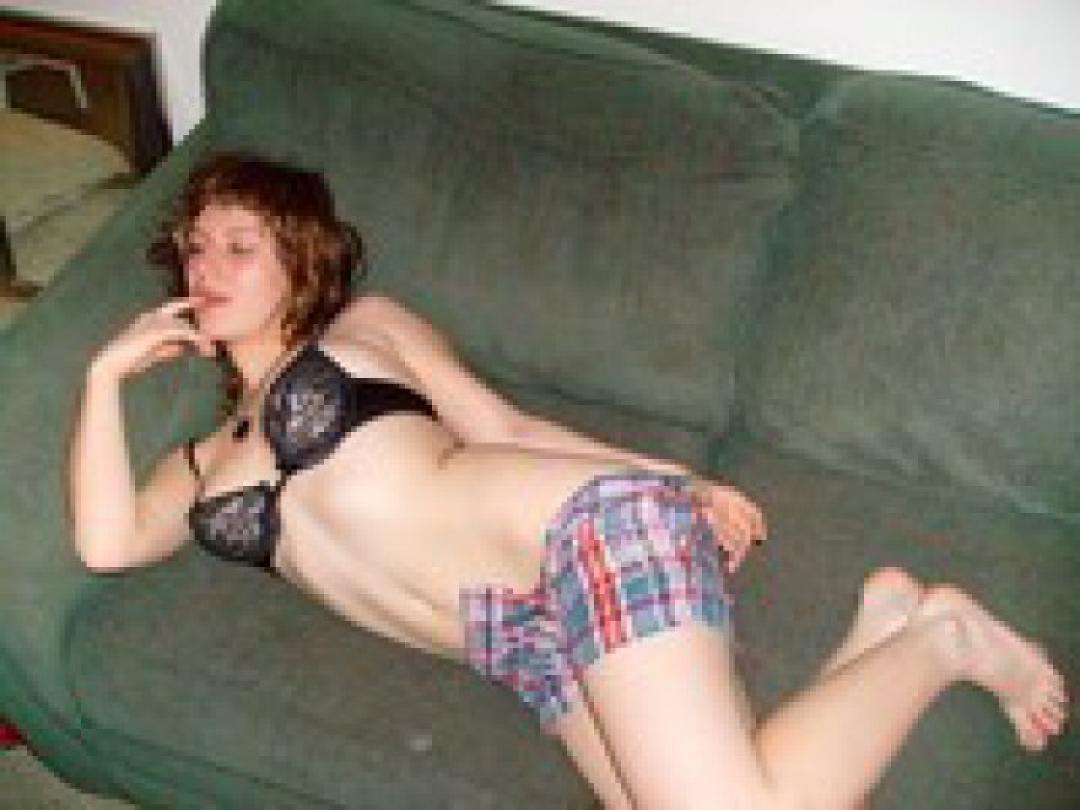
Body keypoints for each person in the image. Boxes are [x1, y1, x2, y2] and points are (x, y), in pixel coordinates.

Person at [68, 153, 1067, 809]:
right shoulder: (197, 464)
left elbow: (503, 428)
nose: (206, 266)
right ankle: (883, 627)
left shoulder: (365, 330)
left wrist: (673, 479)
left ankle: (944, 640)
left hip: (577, 536)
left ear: (302, 261)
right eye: (195, 247)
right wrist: (103, 378)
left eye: (240, 246)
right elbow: (108, 543)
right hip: (523, 643)